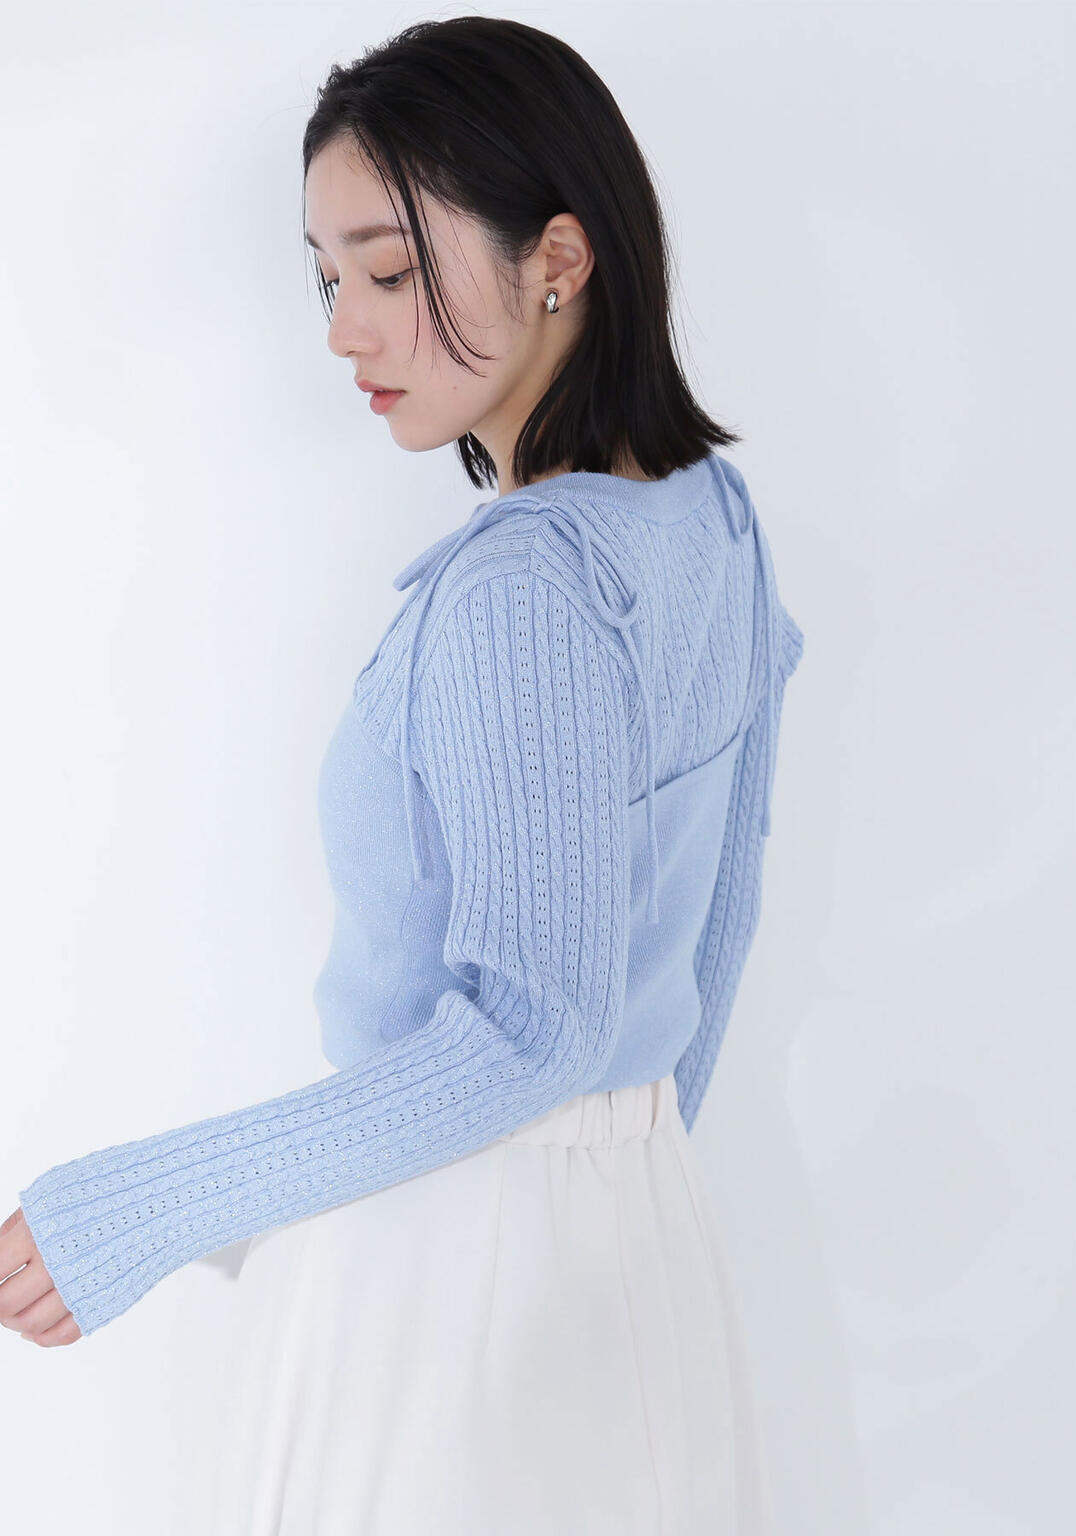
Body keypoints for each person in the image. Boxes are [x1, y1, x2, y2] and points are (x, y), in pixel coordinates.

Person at [1, 16, 805, 1534]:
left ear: (558, 257)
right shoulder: (713, 518)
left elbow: (528, 1029)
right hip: (637, 1247)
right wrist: (613, 1181)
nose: (342, 330)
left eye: (387, 272)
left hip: (450, 1276)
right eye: (328, 278)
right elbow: (718, 921)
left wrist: (139, 1210)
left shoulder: (525, 588)